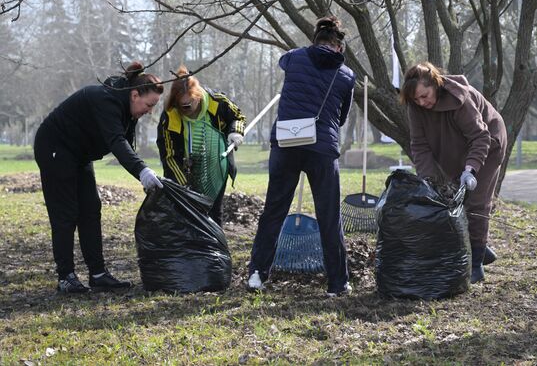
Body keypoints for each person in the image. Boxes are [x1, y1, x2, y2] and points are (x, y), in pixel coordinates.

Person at [247, 16, 356, 297]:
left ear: (315, 39)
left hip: (286, 143)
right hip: (322, 147)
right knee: (329, 216)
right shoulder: (346, 75)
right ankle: (337, 283)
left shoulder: (294, 57)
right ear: (340, 47)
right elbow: (341, 119)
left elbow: (284, 62)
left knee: (274, 210)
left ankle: (257, 274)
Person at [34, 61, 165, 293]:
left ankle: (98, 274)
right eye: (149, 104)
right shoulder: (106, 100)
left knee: (91, 209)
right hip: (55, 147)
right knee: (66, 213)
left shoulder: (127, 111)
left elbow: (127, 146)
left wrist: (143, 173)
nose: (150, 111)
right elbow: (116, 142)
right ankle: (66, 277)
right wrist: (142, 171)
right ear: (135, 95)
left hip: (79, 154)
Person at [400, 61, 507, 284]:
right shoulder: (416, 107)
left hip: (488, 144)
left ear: (436, 84)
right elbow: (419, 146)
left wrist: (470, 170)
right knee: (451, 197)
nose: (422, 102)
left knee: (476, 202)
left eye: (425, 95)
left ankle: (476, 264)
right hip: (456, 146)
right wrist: (428, 180)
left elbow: (480, 137)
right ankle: (478, 246)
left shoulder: (460, 99)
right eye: (416, 99)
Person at [156, 64, 246, 227]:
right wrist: (183, 186)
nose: (185, 110)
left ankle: (215, 250)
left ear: (198, 96)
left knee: (213, 212)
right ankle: (193, 250)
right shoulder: (170, 117)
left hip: (217, 164)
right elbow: (169, 156)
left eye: (188, 105)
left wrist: (236, 132)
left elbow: (238, 116)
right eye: (180, 106)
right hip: (186, 169)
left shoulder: (217, 101)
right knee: (190, 216)